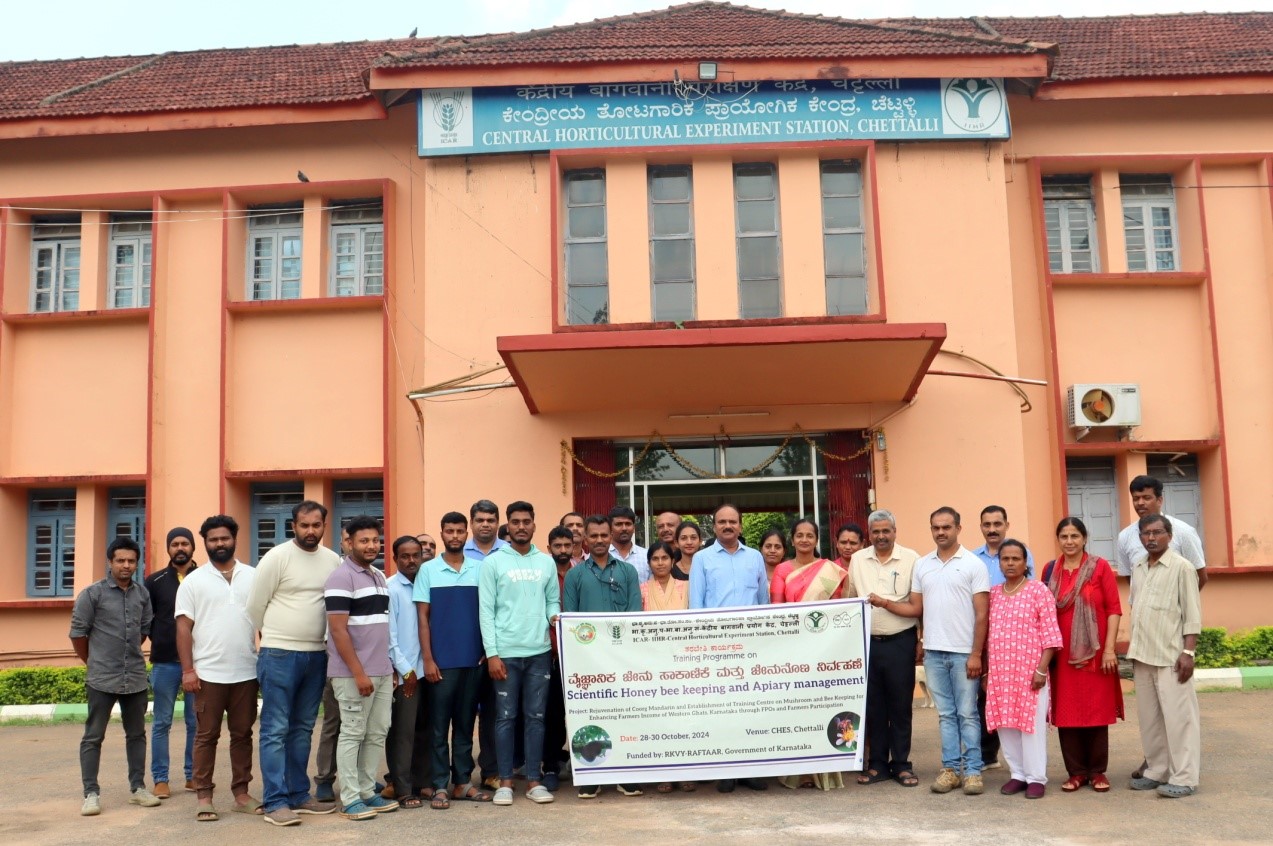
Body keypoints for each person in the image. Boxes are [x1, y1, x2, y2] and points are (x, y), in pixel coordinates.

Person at [872, 506, 989, 795]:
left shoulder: (974, 564)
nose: (941, 532)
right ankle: (950, 770)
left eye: (946, 527)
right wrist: (886, 604)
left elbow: (982, 614)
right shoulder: (923, 565)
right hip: (935, 652)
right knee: (946, 715)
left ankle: (973, 771)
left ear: (958, 528)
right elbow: (916, 609)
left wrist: (976, 653)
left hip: (964, 652)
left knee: (968, 714)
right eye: (936, 527)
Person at [246, 500, 342, 826]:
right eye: (304, 525)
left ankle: (299, 794)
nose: (310, 531)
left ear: (323, 526)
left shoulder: (332, 560)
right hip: (279, 654)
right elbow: (255, 606)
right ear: (293, 526)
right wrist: (274, 636)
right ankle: (275, 801)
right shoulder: (277, 557)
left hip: (316, 655)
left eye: (316, 525)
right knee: (275, 729)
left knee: (302, 728)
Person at [176, 515, 260, 820]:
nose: (219, 544)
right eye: (213, 539)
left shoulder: (253, 576)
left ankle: (241, 793)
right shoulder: (194, 582)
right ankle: (204, 795)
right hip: (208, 675)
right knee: (206, 736)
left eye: (224, 538)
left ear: (235, 539)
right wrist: (188, 670)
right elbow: (183, 628)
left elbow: (264, 619)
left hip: (247, 672)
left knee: (242, 735)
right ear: (205, 543)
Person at [70, 536, 161, 816]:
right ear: (110, 562)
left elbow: (144, 631)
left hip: (133, 676)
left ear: (137, 563)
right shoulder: (92, 594)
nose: (126, 565)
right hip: (101, 678)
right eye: (120, 560)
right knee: (93, 736)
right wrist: (94, 661)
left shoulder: (142, 594)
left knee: (136, 735)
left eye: (131, 561)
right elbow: (78, 634)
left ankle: (137, 788)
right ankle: (91, 794)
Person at [479, 501, 560, 806]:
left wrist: (553, 617)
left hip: (539, 652)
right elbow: (486, 611)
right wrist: (492, 654)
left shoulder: (546, 563)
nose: (521, 526)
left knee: (536, 718)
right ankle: (505, 782)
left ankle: (535, 781)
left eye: (527, 521)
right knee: (505, 717)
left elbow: (552, 601)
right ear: (508, 527)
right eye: (515, 522)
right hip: (506, 654)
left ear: (534, 525)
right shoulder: (494, 563)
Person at [689, 503, 769, 792]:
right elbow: (695, 604)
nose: (727, 526)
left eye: (732, 522)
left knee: (751, 705)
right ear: (714, 526)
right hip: (716, 644)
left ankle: (750, 769)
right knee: (722, 708)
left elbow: (763, 602)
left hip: (751, 643)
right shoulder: (702, 559)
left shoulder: (755, 558)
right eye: (722, 522)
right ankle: (726, 769)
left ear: (741, 525)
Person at [564, 515, 644, 799]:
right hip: (587, 661)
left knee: (624, 715)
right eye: (593, 536)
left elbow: (635, 614)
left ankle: (625, 774)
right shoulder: (575, 575)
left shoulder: (627, 572)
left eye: (604, 535)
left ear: (611, 536)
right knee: (589, 715)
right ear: (584, 537)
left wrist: (624, 653)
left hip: (622, 658)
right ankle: (592, 775)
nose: (599, 540)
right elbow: (570, 620)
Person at [324, 515, 398, 821]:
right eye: (363, 540)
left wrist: (388, 667)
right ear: (349, 542)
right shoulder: (341, 578)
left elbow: (380, 628)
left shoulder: (378, 576)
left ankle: (368, 791)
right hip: (353, 674)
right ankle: (351, 798)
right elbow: (338, 631)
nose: (371, 545)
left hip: (380, 671)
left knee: (376, 733)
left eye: (375, 540)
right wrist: (358, 673)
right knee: (353, 733)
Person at [416, 512, 492, 808]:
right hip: (441, 663)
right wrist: (428, 659)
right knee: (438, 727)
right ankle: (438, 786)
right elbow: (423, 618)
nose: (456, 536)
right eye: (450, 531)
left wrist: (488, 648)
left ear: (467, 533)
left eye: (461, 531)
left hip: (473, 661)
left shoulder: (481, 568)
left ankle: (462, 782)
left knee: (464, 725)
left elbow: (488, 611)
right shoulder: (429, 570)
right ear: (443, 533)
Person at [1043, 517, 1123, 793]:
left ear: (1084, 538)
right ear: (1058, 540)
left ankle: (1098, 772)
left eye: (1075, 536)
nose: (1069, 541)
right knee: (1067, 714)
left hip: (1095, 654)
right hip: (1061, 655)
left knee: (1096, 712)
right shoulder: (1050, 570)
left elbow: (1113, 609)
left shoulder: (1099, 567)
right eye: (1064, 536)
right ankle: (1076, 772)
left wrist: (1110, 649)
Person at [1127, 514, 1203, 798]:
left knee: (1180, 719)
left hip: (1172, 656)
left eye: (1157, 532)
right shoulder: (1137, 567)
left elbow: (1192, 614)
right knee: (1150, 719)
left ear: (1169, 536)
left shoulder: (1182, 568)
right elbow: (1136, 607)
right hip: (1143, 655)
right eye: (1146, 533)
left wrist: (1188, 652)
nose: (1151, 538)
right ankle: (1157, 770)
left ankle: (1184, 778)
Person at [770, 518, 846, 790]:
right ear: (792, 540)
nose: (804, 540)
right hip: (792, 649)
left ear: (816, 539)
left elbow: (838, 610)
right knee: (795, 710)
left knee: (821, 705)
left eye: (809, 535)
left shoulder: (830, 571)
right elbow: (777, 610)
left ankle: (824, 770)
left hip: (823, 648)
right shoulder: (782, 570)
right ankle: (796, 771)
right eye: (799, 535)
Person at [985, 540, 1062, 799]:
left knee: (1031, 726)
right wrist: (987, 671)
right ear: (999, 562)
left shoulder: (1038, 590)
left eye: (1015, 558)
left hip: (1030, 673)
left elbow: (1050, 634)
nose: (1010, 563)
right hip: (1000, 673)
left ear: (1025, 562)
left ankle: (1036, 777)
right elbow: (985, 635)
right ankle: (1017, 774)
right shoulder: (994, 593)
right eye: (1005, 559)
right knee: (1006, 724)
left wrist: (1041, 670)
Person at [850, 509, 921, 787]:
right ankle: (877, 764)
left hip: (901, 642)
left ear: (895, 531)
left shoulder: (912, 559)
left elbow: (918, 603)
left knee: (901, 706)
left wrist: (920, 640)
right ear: (869, 534)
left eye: (886, 531)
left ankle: (902, 764)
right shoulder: (857, 560)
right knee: (874, 706)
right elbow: (850, 599)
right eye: (876, 531)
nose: (881, 536)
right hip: (868, 644)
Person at [972, 505, 1035, 772]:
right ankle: (985, 755)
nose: (992, 529)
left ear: (1006, 525)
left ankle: (1018, 762)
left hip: (1012, 639)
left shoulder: (1021, 553)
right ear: (981, 528)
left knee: (1008, 697)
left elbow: (1029, 588)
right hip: (979, 634)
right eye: (987, 524)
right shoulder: (973, 559)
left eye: (997, 524)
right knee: (980, 696)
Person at [144, 526, 199, 798]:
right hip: (165, 662)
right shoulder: (154, 582)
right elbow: (146, 620)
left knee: (195, 721)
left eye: (185, 543)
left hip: (199, 662)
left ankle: (193, 776)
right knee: (162, 722)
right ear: (168, 548)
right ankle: (161, 779)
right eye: (175, 543)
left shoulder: (204, 578)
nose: (180, 548)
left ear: (193, 547)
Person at [467, 499, 510, 790]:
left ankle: (491, 771)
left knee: (494, 713)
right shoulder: (457, 553)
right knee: (463, 712)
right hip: (466, 646)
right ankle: (457, 773)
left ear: (497, 523)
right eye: (480, 519)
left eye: (490, 520)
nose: (485, 524)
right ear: (472, 523)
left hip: (499, 648)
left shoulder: (509, 553)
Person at [385, 536, 429, 808]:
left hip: (429, 670)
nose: (411, 560)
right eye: (405, 556)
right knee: (402, 733)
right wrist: (406, 672)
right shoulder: (391, 589)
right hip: (407, 673)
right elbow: (390, 638)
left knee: (426, 729)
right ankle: (402, 788)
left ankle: (423, 782)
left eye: (416, 555)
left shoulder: (426, 583)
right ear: (395, 558)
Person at [1115, 475, 1207, 588]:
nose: (1140, 503)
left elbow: (1200, 576)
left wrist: (1179, 602)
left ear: (1159, 500)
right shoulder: (1125, 536)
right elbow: (1131, 578)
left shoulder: (1183, 531)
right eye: (1136, 498)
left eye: (1146, 498)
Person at [542, 526, 576, 791]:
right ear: (549, 546)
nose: (563, 550)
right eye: (558, 545)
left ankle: (582, 764)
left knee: (578, 713)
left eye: (567, 545)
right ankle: (551, 766)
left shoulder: (582, 573)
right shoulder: (542, 573)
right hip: (550, 654)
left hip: (580, 656)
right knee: (552, 715)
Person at [642, 540, 689, 612]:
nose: (660, 563)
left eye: (664, 558)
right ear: (649, 563)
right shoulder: (642, 590)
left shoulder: (686, 587)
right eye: (655, 559)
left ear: (672, 561)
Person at [608, 505, 650, 582]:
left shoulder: (647, 556)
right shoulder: (601, 555)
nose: (624, 528)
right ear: (610, 528)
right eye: (619, 524)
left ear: (634, 528)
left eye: (628, 524)